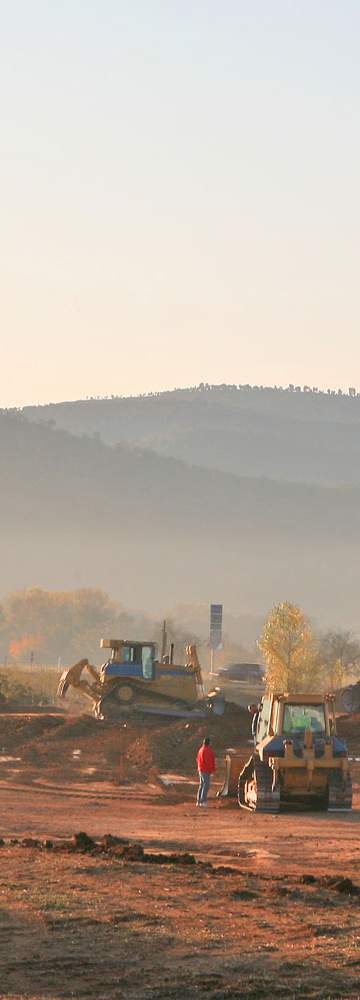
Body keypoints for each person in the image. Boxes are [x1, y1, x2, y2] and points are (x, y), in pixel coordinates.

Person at [196, 736, 216, 807]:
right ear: (209, 743)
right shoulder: (207, 750)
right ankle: (203, 801)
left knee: (202, 784)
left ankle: (199, 801)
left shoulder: (201, 749)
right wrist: (211, 770)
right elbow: (209, 762)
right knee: (206, 785)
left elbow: (198, 759)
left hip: (200, 769)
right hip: (205, 770)